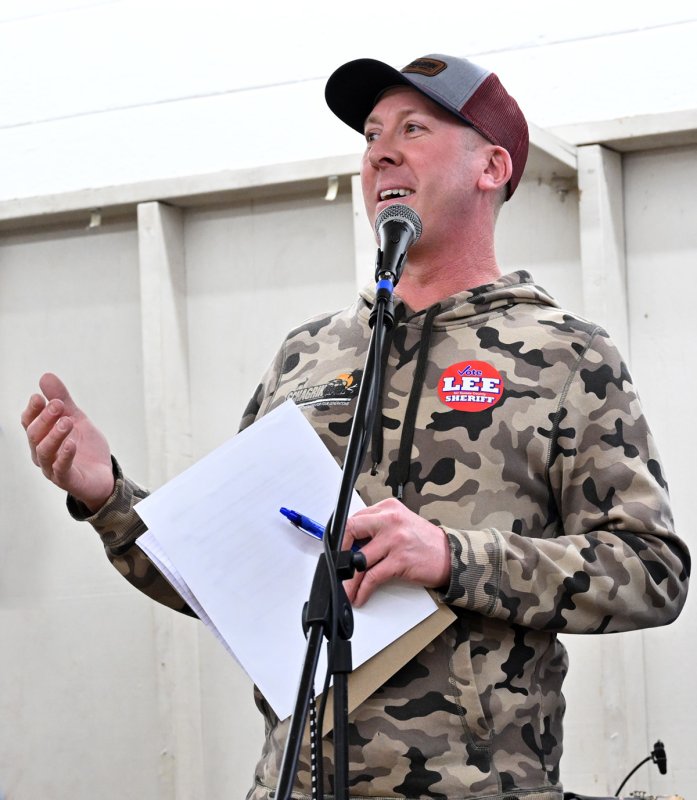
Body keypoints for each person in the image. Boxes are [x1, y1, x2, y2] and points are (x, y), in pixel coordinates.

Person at [22, 53, 690, 800]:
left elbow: (651, 573)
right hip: (296, 785)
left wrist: (451, 557)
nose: (381, 151)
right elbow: (226, 581)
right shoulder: (309, 354)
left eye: (415, 128)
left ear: (492, 166)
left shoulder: (564, 354)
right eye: (372, 134)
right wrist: (107, 496)